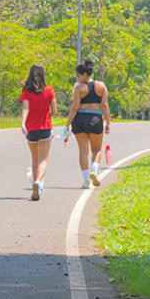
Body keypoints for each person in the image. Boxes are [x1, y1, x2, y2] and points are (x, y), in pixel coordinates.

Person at [63, 60, 111, 189]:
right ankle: (94, 171)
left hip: (79, 119)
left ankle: (86, 181)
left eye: (79, 75)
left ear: (84, 74)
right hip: (95, 118)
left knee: (83, 152)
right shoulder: (101, 86)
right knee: (96, 150)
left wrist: (67, 125)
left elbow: (74, 108)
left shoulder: (79, 87)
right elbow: (105, 105)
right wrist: (108, 123)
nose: (78, 78)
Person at [19, 65, 56, 201]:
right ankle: (38, 182)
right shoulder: (49, 91)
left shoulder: (26, 92)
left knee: (35, 158)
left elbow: (26, 109)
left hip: (31, 129)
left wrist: (23, 123)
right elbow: (54, 110)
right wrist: (46, 115)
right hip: (45, 127)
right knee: (44, 159)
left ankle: (37, 185)